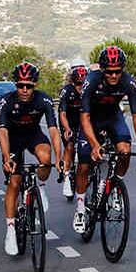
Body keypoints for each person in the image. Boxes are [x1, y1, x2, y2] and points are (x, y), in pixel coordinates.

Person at [73, 46, 136, 234]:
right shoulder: (91, 81)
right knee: (83, 165)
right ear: (102, 69)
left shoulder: (128, 82)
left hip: (113, 116)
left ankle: (115, 186)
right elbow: (84, 118)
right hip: (92, 118)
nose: (114, 76)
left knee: (124, 151)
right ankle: (81, 209)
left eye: (117, 72)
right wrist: (94, 144)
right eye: (109, 72)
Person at [0, 62, 60, 255]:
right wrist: (7, 157)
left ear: (35, 85)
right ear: (16, 84)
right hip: (13, 139)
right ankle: (10, 230)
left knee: (45, 158)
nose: (24, 90)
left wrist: (59, 157)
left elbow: (53, 130)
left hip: (33, 135)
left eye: (29, 86)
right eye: (20, 85)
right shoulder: (5, 102)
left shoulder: (44, 100)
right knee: (14, 182)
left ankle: (40, 188)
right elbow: (3, 132)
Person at [56, 64, 88, 200]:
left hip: (83, 121)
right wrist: (67, 129)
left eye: (83, 84)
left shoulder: (89, 90)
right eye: (78, 85)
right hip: (68, 121)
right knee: (69, 145)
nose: (81, 88)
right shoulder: (67, 91)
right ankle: (67, 177)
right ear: (73, 82)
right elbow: (62, 114)